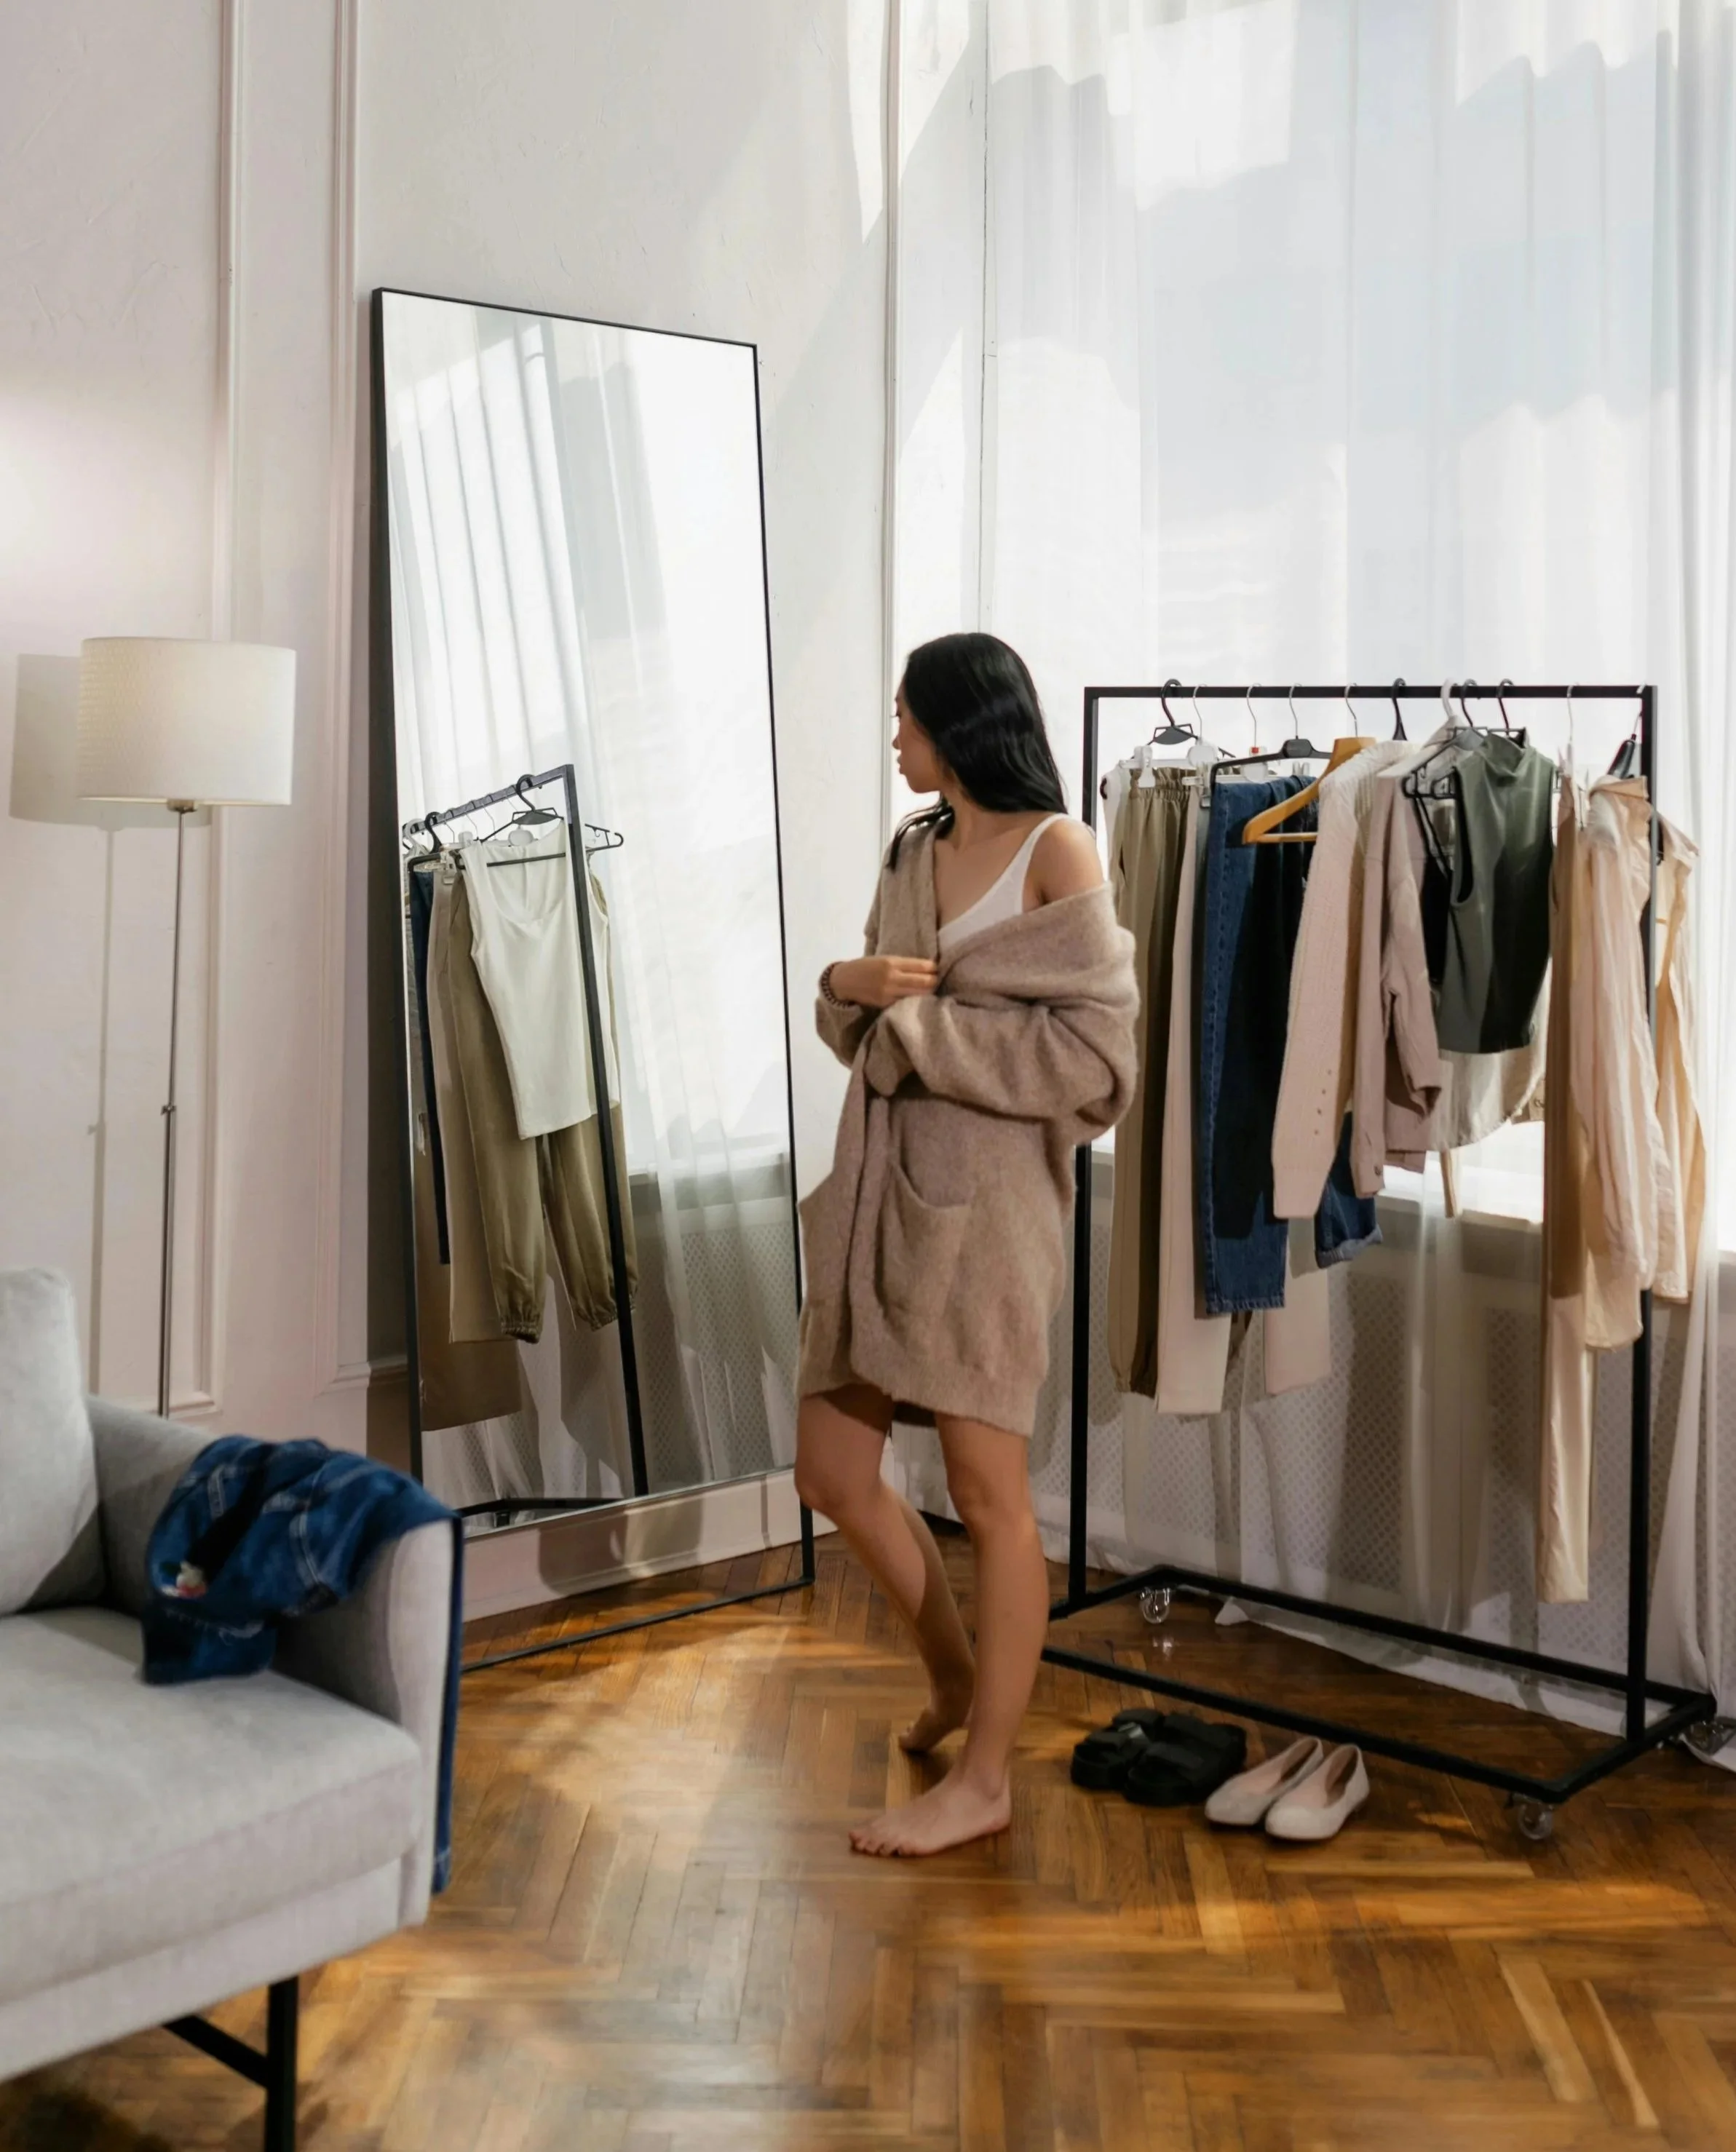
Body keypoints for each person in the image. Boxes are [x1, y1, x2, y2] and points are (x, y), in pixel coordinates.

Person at [793, 631, 1138, 1857]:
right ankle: (950, 1685)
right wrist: (843, 977)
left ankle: (985, 1776)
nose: (896, 739)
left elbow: (1100, 1064)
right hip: (884, 1194)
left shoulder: (1059, 852)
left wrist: (924, 1027)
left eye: (908, 719)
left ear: (959, 723)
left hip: (992, 1217)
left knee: (990, 1499)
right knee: (831, 1472)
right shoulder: (912, 849)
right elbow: (863, 1023)